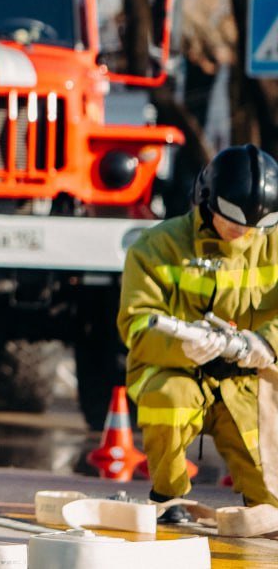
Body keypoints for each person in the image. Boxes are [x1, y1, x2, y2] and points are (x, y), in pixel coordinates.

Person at [119, 143, 278, 519]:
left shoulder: (271, 245)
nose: (244, 233)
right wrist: (183, 348)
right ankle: (168, 497)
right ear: (207, 201)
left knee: (271, 497)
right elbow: (136, 323)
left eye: (256, 226)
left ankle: (264, 504)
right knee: (169, 399)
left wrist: (264, 342)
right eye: (235, 221)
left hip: (247, 381)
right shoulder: (157, 247)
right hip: (177, 371)